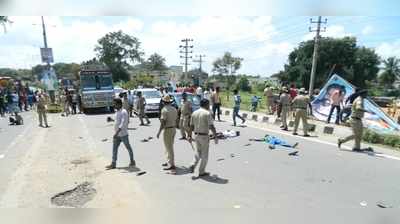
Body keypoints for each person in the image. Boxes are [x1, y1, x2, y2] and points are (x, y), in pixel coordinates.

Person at [187, 99, 218, 177]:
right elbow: (211, 126)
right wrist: (215, 136)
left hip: (196, 135)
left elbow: (191, 126)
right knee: (205, 155)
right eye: (208, 104)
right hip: (204, 136)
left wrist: (189, 135)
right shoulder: (207, 113)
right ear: (206, 105)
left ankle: (193, 164)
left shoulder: (194, 113)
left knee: (198, 152)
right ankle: (201, 171)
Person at [106, 98, 136, 169]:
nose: (114, 105)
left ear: (119, 104)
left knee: (128, 148)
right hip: (118, 134)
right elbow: (117, 121)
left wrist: (116, 133)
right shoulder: (117, 112)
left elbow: (122, 124)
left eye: (115, 104)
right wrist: (111, 120)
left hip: (123, 134)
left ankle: (132, 161)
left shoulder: (124, 112)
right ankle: (113, 163)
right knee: (114, 149)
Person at [157, 95, 178, 172]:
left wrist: (159, 132)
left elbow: (163, 122)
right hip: (173, 128)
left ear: (163, 102)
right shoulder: (174, 109)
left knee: (169, 147)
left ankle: (172, 164)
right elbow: (176, 119)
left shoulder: (164, 110)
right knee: (169, 146)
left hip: (168, 129)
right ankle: (169, 161)